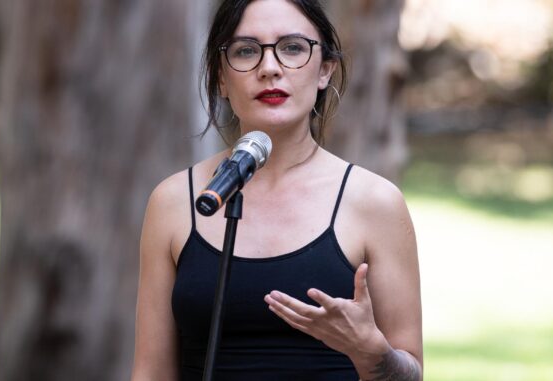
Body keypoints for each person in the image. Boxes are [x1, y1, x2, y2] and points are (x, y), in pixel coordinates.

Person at [130, 0, 423, 380]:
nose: (269, 68)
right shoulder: (174, 201)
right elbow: (151, 373)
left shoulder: (375, 202)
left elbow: (411, 373)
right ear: (221, 76)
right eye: (246, 51)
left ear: (324, 71)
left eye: (292, 48)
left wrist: (371, 353)